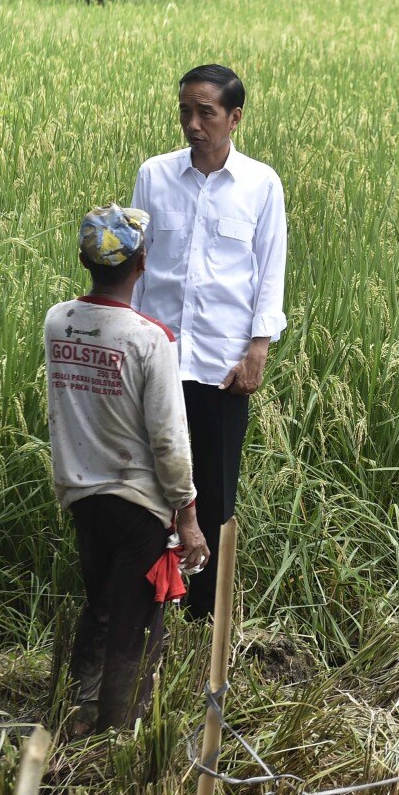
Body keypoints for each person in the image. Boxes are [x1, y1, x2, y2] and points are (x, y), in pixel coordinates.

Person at [45, 203, 210, 737]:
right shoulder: (148, 340)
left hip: (80, 495)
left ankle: (76, 712)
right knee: (133, 624)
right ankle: (112, 736)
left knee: (99, 605)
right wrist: (187, 515)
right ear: (142, 263)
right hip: (138, 506)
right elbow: (168, 438)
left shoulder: (59, 321)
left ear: (81, 259)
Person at [130, 64, 287, 619]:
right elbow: (139, 266)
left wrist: (258, 348)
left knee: (215, 494)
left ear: (234, 117)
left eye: (206, 112)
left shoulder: (261, 184)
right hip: (158, 361)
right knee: (151, 487)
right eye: (184, 111)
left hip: (221, 365)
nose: (192, 123)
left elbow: (270, 270)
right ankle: (151, 606)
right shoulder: (154, 175)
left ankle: (204, 621)